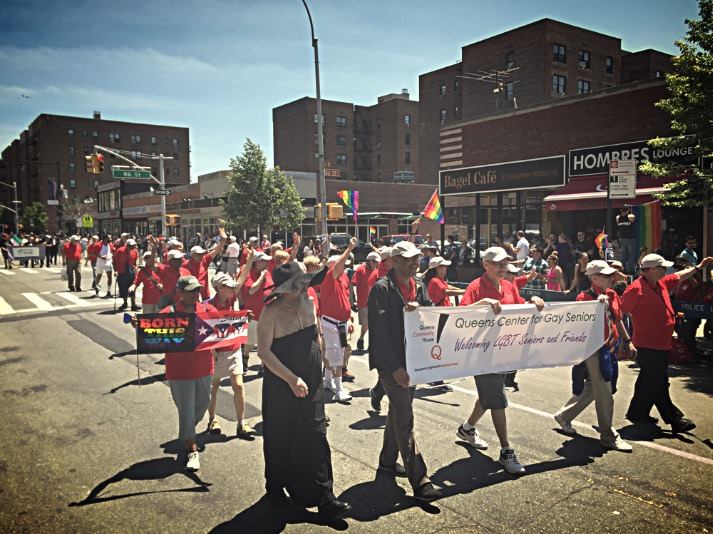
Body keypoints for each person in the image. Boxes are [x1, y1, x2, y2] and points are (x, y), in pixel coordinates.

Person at [256, 261, 350, 519]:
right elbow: (263, 352)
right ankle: (275, 490)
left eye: (302, 283)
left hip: (312, 381)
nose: (301, 288)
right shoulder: (271, 312)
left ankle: (325, 497)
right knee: (281, 438)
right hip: (281, 385)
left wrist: (325, 359)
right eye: (295, 285)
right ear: (284, 289)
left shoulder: (309, 301)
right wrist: (290, 379)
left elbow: (316, 334)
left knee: (316, 434)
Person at [457, 246, 545, 475]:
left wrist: (533, 301)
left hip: (503, 351)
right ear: (485, 264)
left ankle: (467, 428)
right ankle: (506, 450)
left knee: (489, 395)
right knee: (497, 398)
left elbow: (519, 307)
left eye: (504, 264)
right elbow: (459, 315)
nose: (501, 268)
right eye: (496, 263)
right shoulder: (476, 287)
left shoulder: (509, 285)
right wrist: (481, 304)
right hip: (481, 353)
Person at [368, 240, 442, 501]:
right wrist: (394, 368)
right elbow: (379, 335)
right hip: (394, 365)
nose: (415, 262)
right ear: (395, 260)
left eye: (417, 257)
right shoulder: (381, 289)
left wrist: (420, 311)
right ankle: (420, 480)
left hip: (414, 361)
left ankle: (387, 462)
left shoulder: (419, 285)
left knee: (397, 414)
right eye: (409, 258)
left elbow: (429, 318)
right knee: (404, 416)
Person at [621, 253, 713, 433]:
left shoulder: (660, 282)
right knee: (659, 382)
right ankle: (675, 419)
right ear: (653, 270)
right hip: (647, 344)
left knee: (648, 379)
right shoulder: (635, 289)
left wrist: (699, 267)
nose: (666, 270)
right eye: (662, 267)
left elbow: (679, 276)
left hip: (661, 343)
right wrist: (626, 340)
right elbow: (620, 312)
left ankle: (637, 412)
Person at [553, 260, 635, 452]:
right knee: (604, 393)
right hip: (595, 351)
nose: (611, 278)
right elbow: (581, 327)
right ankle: (608, 435)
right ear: (593, 278)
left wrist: (628, 340)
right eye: (606, 276)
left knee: (593, 388)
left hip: (610, 350)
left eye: (611, 275)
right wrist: (596, 308)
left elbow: (618, 319)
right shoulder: (584, 298)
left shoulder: (613, 294)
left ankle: (564, 416)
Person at [161, 276, 217, 471]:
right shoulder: (169, 313)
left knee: (203, 404)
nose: (195, 294)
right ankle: (192, 450)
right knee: (187, 410)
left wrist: (244, 317)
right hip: (179, 371)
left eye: (198, 290)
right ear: (180, 292)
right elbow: (152, 331)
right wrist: (140, 325)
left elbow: (225, 321)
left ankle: (187, 430)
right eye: (191, 291)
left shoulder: (207, 310)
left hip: (203, 367)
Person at [205, 271, 255, 438]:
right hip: (217, 353)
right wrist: (211, 351)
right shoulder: (209, 307)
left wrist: (249, 259)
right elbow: (205, 334)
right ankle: (212, 419)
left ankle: (241, 423)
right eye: (229, 287)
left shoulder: (232, 300)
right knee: (214, 387)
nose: (234, 290)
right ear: (219, 288)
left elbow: (240, 281)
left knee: (239, 386)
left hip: (233, 349)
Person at [319, 238, 357, 403]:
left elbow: (345, 298)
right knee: (336, 356)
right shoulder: (330, 276)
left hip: (341, 322)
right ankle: (339, 390)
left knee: (335, 353)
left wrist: (348, 317)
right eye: (342, 265)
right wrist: (349, 248)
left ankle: (328, 381)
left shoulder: (343, 278)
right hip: (331, 323)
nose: (345, 267)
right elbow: (339, 263)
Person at [187, 227, 227, 300]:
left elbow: (216, 250)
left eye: (202, 253)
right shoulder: (186, 264)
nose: (201, 255)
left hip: (205, 295)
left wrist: (223, 240)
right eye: (199, 254)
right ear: (192, 255)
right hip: (192, 295)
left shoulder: (205, 260)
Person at [352, 251, 379, 352]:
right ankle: (361, 338)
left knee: (373, 323)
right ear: (370, 261)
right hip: (363, 302)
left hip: (375, 302)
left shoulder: (376, 270)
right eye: (376, 262)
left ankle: (369, 343)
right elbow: (352, 284)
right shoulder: (360, 270)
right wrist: (352, 300)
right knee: (366, 324)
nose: (377, 264)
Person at [114, 238, 139, 311]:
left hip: (131, 272)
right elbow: (114, 261)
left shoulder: (134, 251)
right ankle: (125, 303)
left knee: (132, 288)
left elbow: (135, 261)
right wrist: (115, 270)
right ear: (127, 245)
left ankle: (133, 304)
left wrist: (136, 267)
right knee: (123, 289)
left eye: (134, 245)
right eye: (131, 246)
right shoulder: (120, 251)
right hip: (122, 272)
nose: (133, 247)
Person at [616, 206, 636, 273]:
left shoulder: (618, 217)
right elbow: (633, 217)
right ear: (628, 210)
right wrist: (630, 210)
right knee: (631, 255)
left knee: (623, 255)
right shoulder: (631, 216)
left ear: (620, 210)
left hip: (622, 238)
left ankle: (622, 269)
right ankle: (630, 270)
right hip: (630, 238)